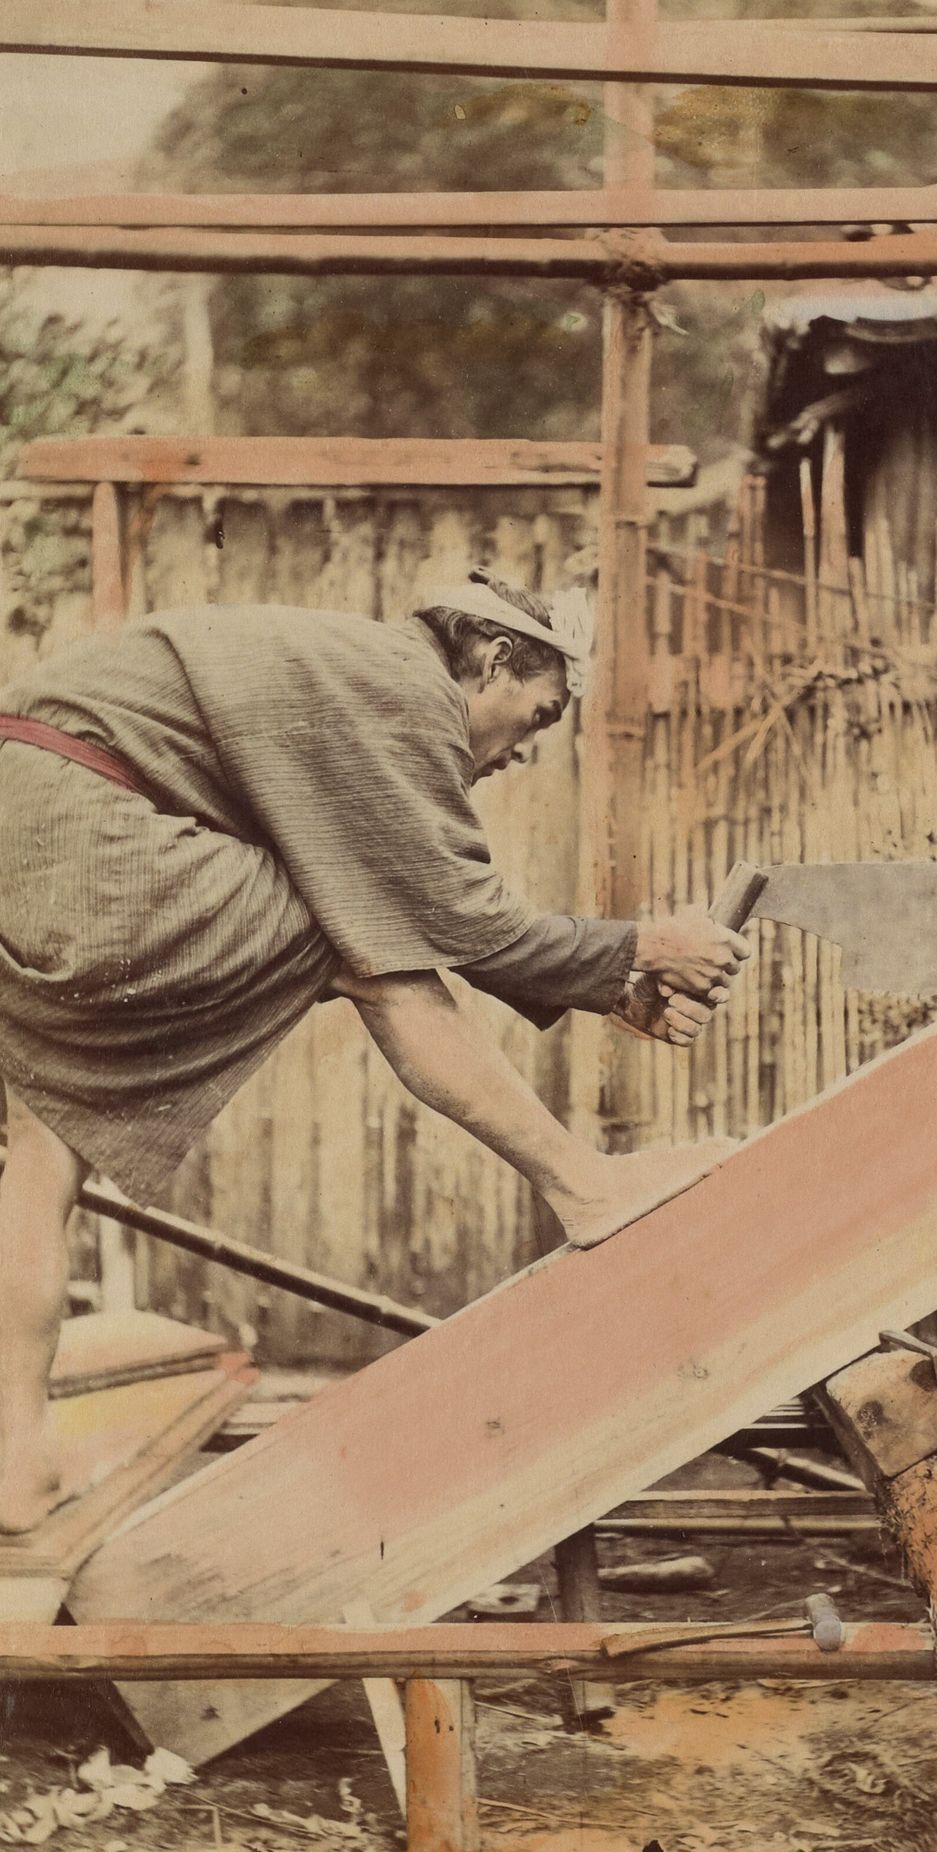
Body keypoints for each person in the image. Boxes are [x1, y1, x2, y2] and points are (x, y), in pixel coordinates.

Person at [0, 567, 750, 1533]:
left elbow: (447, 919)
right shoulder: (402, 689)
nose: (523, 752)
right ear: (493, 659)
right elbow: (460, 923)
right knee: (366, 951)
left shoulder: (350, 669)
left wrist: (613, 986)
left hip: (29, 835)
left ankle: (14, 1461)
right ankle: (582, 1185)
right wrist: (643, 948)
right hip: (85, 834)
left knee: (40, 1150)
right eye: (538, 716)